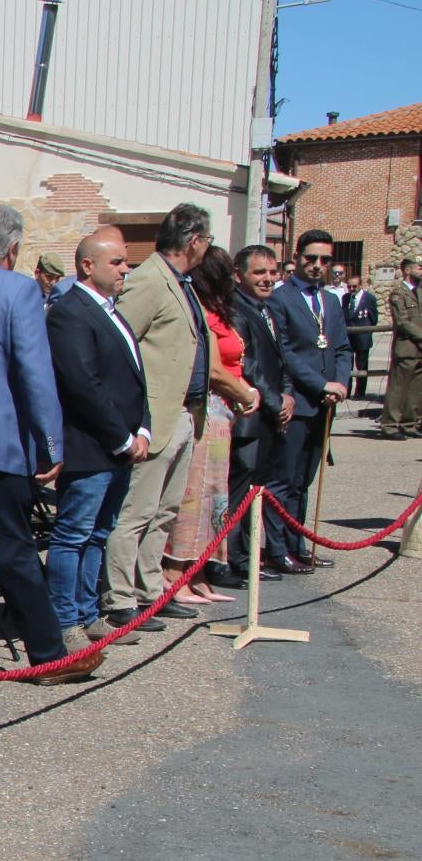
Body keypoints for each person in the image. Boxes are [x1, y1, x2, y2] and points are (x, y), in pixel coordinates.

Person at [0, 205, 99, 683]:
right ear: (12, 249)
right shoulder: (20, 289)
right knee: (15, 550)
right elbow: (35, 373)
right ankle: (48, 654)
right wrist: (51, 442)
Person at [105, 203, 212, 630]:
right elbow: (118, 344)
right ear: (194, 241)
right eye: (207, 241)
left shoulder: (181, 283)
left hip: (183, 413)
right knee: (135, 513)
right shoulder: (149, 280)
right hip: (154, 418)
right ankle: (120, 598)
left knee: (164, 512)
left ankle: (150, 592)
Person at [46, 227, 150, 650]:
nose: (126, 268)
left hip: (121, 447)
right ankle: (64, 621)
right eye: (118, 262)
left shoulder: (112, 310)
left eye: (126, 261)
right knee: (73, 535)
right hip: (91, 447)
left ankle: (89, 614)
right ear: (88, 266)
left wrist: (142, 428)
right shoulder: (69, 312)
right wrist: (121, 438)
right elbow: (82, 383)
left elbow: (134, 378)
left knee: (99, 534)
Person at [167, 244, 263, 604]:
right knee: (195, 496)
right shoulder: (199, 313)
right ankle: (175, 573)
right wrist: (246, 392)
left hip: (224, 412)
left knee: (214, 497)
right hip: (206, 408)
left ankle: (200, 570)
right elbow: (213, 367)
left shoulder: (220, 311)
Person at [264, 229, 352, 574]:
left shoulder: (330, 301)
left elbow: (341, 347)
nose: (317, 266)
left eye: (325, 260)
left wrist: (340, 384)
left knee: (304, 482)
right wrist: (320, 383)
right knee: (283, 480)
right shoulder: (280, 298)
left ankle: (298, 544)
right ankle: (276, 549)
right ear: (297, 257)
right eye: (311, 258)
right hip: (298, 402)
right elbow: (285, 352)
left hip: (325, 404)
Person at [214, 243, 291, 589]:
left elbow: (279, 357)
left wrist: (286, 395)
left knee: (254, 492)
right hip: (248, 417)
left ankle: (247, 556)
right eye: (259, 272)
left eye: (272, 272)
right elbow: (250, 365)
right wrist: (274, 402)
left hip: (270, 413)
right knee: (237, 494)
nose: (267, 279)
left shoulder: (266, 309)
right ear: (238, 275)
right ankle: (228, 560)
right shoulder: (237, 309)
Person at [385, 258, 422, 437]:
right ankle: (390, 425)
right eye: (419, 267)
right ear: (407, 270)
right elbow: (403, 321)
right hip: (406, 346)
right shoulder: (398, 293)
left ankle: (410, 423)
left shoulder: (419, 292)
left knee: (415, 389)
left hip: (419, 349)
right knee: (398, 388)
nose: (421, 270)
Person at [344, 276, 378, 398]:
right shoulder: (346, 298)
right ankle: (346, 391)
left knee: (361, 365)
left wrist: (366, 331)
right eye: (349, 286)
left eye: (354, 286)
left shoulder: (369, 299)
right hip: (348, 337)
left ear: (360, 285)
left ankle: (359, 392)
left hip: (363, 337)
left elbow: (374, 319)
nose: (351, 289)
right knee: (347, 364)